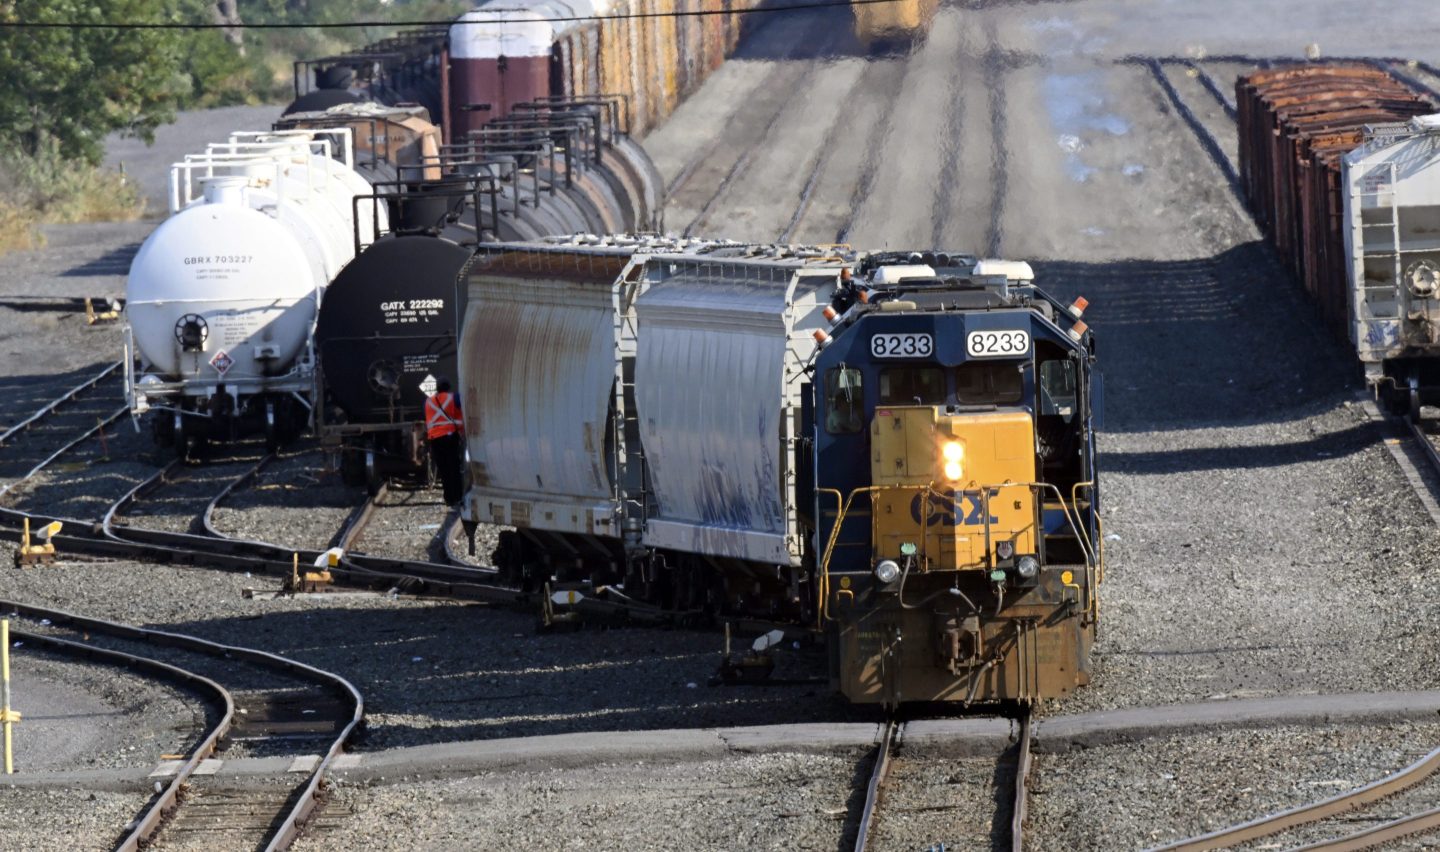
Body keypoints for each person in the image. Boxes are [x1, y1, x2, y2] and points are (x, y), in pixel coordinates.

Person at [424, 377, 465, 505]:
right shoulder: (453, 398)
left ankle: (448, 498)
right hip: (450, 436)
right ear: (448, 387)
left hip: (435, 439)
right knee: (454, 467)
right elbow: (461, 405)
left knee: (444, 469)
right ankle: (458, 496)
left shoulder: (428, 402)